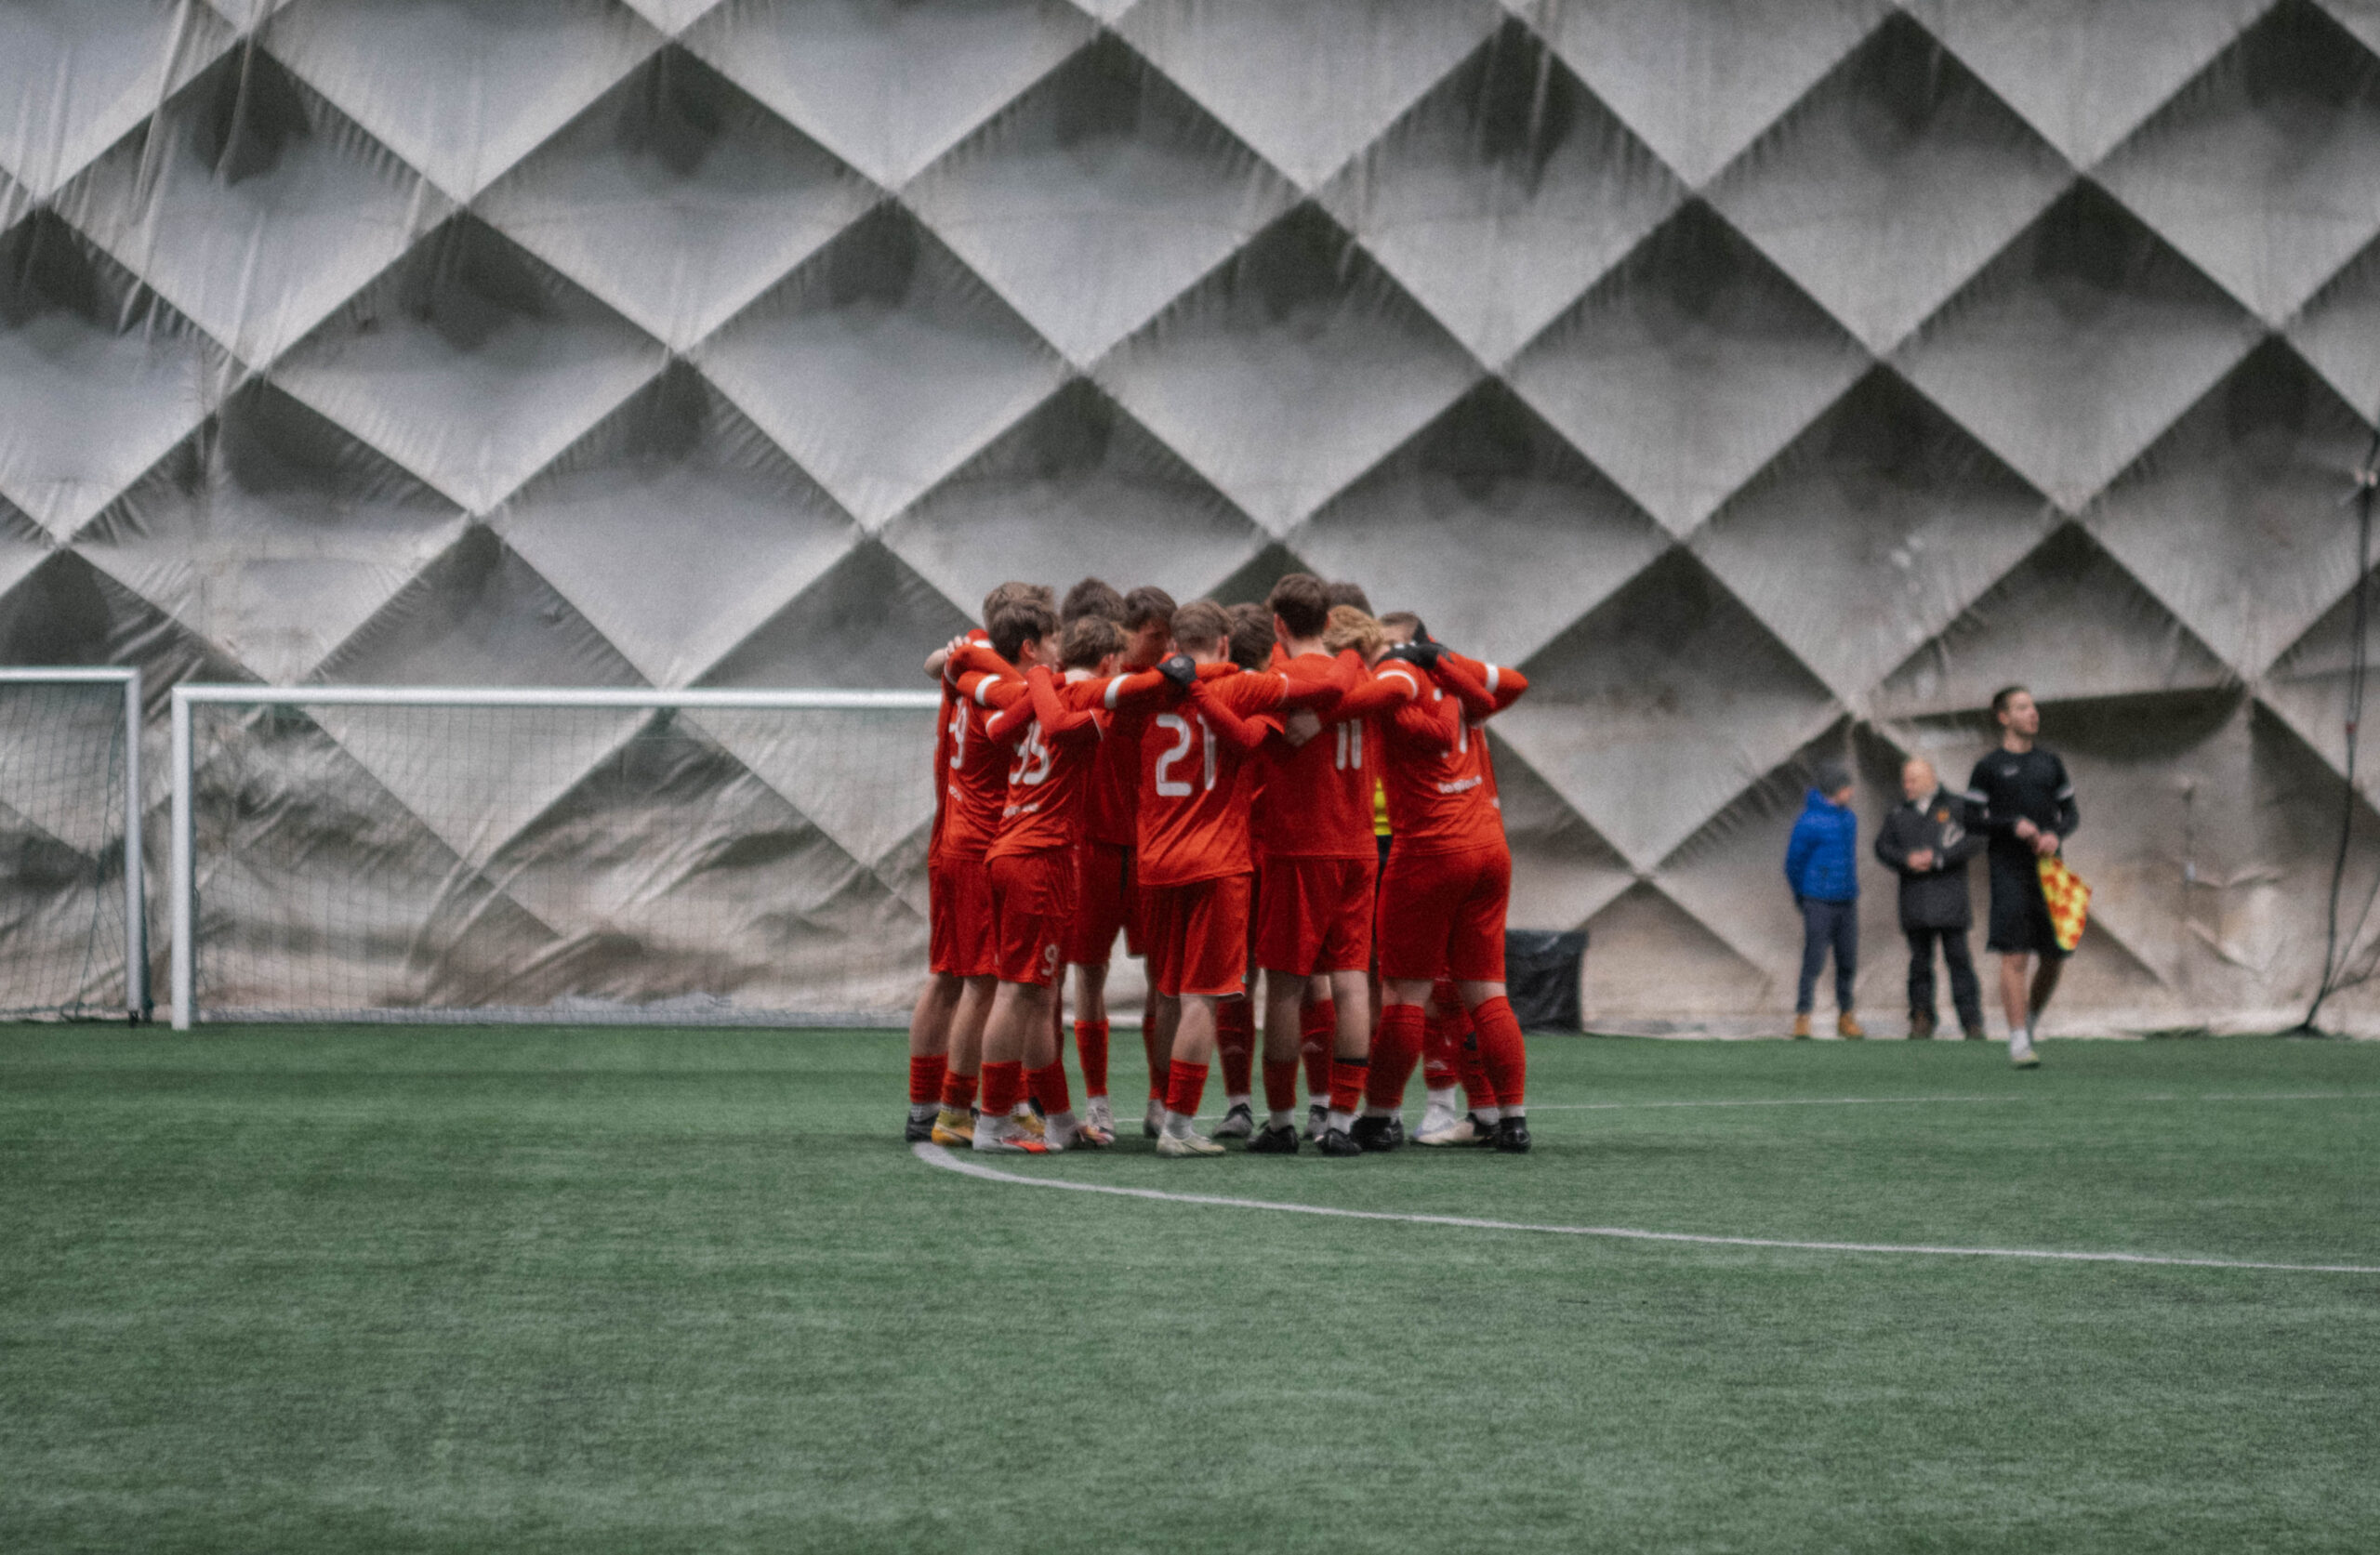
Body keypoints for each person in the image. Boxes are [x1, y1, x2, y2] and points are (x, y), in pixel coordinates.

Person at [912, 582, 1046, 1145]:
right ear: (1031, 643)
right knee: (984, 985)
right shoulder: (999, 681)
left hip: (953, 837)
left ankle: (934, 1108)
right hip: (980, 845)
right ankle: (958, 1109)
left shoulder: (964, 661)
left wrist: (958, 653)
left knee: (950, 978)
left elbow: (936, 661)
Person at [1965, 687, 2078, 1069]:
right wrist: (2011, 825)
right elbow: (1970, 819)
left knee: (2055, 956)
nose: (2033, 713)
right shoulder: (1988, 767)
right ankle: (2016, 1040)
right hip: (2008, 871)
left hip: (2052, 871)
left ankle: (2028, 1023)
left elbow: (2071, 814)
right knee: (2014, 955)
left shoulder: (2051, 763)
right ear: (2003, 717)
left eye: (2033, 706)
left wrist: (2054, 835)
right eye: (2022, 707)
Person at [1873, 758, 1985, 1040]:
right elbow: (1882, 847)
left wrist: (1939, 859)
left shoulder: (1957, 806)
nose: (1906, 786)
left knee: (1959, 960)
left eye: (1913, 780)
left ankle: (1971, 1021)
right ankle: (1922, 1018)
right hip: (1915, 903)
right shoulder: (1899, 813)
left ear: (1929, 779)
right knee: (1920, 963)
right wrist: (1906, 859)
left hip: (1951, 902)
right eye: (1905, 780)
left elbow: (1978, 838)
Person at [1784, 760, 1862, 1039]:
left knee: (1847, 960)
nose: (1851, 792)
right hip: (1818, 900)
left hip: (1846, 899)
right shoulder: (1808, 821)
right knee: (1814, 959)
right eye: (1846, 787)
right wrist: (1804, 894)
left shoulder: (1849, 819)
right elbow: (1794, 862)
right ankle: (1803, 1015)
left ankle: (1846, 1015)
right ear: (1835, 789)